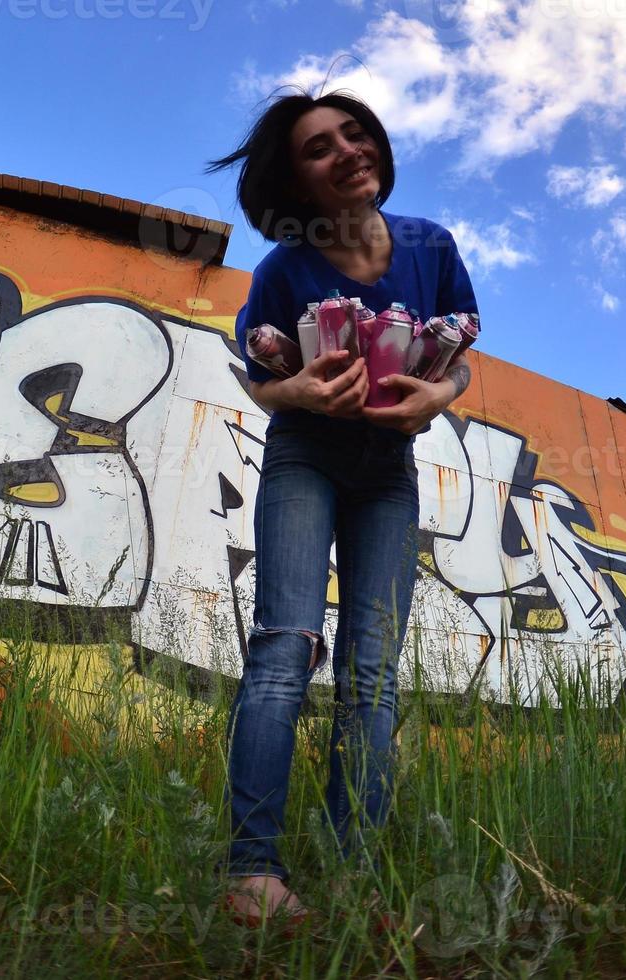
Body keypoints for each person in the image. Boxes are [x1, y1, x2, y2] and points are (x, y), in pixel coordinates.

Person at [204, 89, 479, 926]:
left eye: (355, 133)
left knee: (374, 677)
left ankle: (353, 880)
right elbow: (261, 383)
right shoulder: (286, 269)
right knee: (286, 651)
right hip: (306, 459)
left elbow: (462, 362)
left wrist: (435, 399)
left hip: (387, 472)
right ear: (298, 183)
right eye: (321, 147)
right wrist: (299, 391)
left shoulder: (430, 246)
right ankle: (252, 873)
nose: (348, 150)